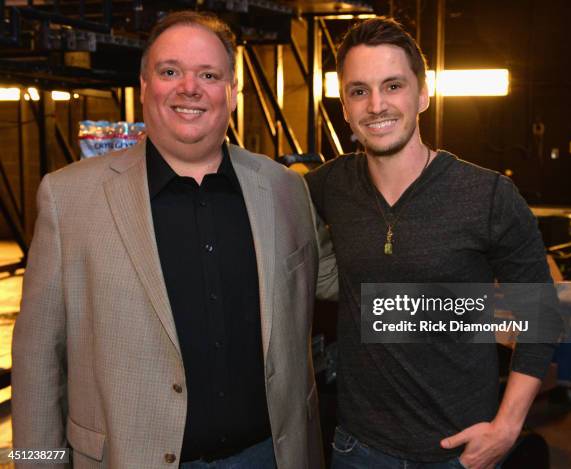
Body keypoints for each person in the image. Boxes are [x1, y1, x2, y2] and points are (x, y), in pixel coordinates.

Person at [12, 11, 335, 469]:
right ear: (145, 87)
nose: (190, 88)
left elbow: (348, 282)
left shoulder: (284, 189)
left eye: (208, 74)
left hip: (270, 456)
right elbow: (36, 362)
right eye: (170, 72)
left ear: (233, 92)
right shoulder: (69, 198)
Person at [306, 17, 557, 469]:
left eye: (393, 86)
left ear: (423, 94)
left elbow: (541, 317)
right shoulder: (329, 187)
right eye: (359, 90)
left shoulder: (488, 196)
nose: (376, 104)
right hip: (358, 451)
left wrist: (506, 428)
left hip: (460, 454)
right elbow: (264, 195)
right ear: (344, 105)